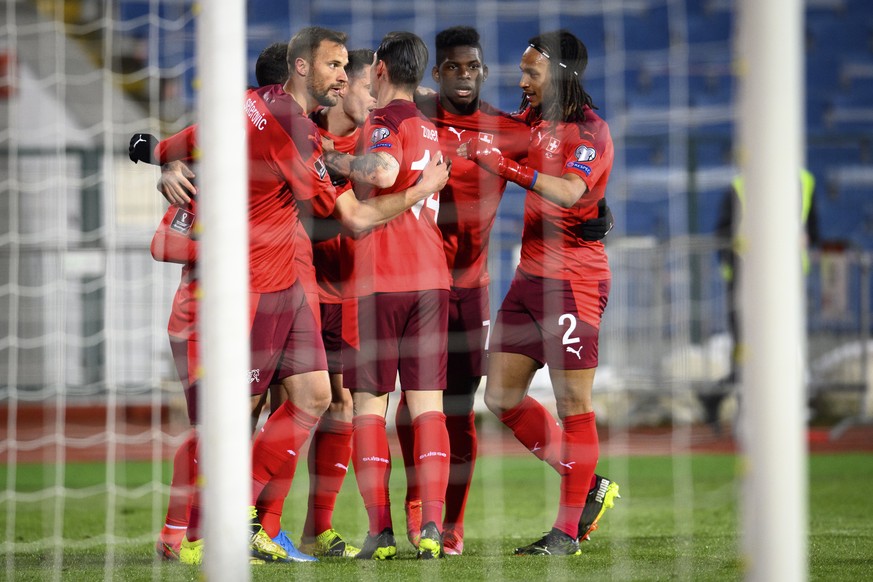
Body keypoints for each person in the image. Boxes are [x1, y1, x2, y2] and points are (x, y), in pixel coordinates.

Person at [134, 26, 448, 566]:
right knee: (229, 419)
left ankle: (264, 522)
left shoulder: (261, 110)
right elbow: (350, 216)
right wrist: (421, 190)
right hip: (249, 294)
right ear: (302, 68)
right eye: (336, 68)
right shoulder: (293, 134)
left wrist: (155, 151)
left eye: (351, 69)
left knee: (318, 397)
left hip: (296, 290)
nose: (349, 79)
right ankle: (193, 531)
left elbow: (194, 136)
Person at [458, 29, 617, 556]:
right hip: (529, 280)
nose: (521, 81)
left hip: (574, 284)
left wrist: (505, 166)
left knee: (575, 405)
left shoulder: (591, 131)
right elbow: (493, 127)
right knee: (500, 396)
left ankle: (566, 532)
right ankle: (588, 481)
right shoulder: (534, 121)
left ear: (562, 75)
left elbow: (573, 190)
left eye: (532, 73)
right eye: (522, 71)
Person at [323, 31, 451, 560]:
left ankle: (381, 532)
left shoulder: (384, 122)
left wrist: (335, 162)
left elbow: (381, 170)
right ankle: (433, 530)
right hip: (432, 279)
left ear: (378, 68)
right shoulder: (429, 128)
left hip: (383, 280)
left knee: (370, 409)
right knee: (428, 409)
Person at [706, 168, 819, 426]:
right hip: (745, 285)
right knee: (748, 349)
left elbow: (813, 231)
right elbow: (723, 238)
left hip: (787, 284)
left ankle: (765, 411)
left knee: (780, 348)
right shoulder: (740, 186)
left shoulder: (805, 182)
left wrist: (804, 239)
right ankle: (742, 409)